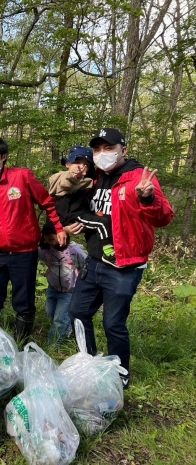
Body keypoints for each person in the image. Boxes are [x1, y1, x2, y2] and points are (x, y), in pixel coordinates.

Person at [68, 128, 174, 388]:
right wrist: (70, 225)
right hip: (94, 261)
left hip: (125, 264)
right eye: (97, 150)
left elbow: (164, 217)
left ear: (123, 151)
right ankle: (88, 361)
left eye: (108, 148)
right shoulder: (94, 178)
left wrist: (147, 198)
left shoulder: (137, 176)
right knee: (78, 313)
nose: (102, 154)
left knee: (113, 322)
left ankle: (120, 373)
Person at [0, 136, 66, 343]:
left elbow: (47, 202)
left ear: (4, 157)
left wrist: (58, 227)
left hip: (23, 253)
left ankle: (20, 345)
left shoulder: (22, 177)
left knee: (24, 302)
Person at [49, 145, 117, 267]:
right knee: (102, 223)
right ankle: (109, 254)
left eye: (86, 165)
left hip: (80, 215)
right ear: (68, 164)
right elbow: (66, 181)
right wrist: (74, 175)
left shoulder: (85, 182)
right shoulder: (60, 177)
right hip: (73, 217)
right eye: (78, 162)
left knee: (104, 220)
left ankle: (106, 251)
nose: (81, 167)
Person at [38, 221, 86, 345]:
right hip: (53, 289)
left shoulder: (73, 251)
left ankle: (52, 345)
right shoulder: (45, 251)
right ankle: (68, 327)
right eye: (47, 234)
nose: (50, 236)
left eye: (53, 233)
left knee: (59, 319)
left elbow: (87, 264)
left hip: (69, 292)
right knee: (50, 313)